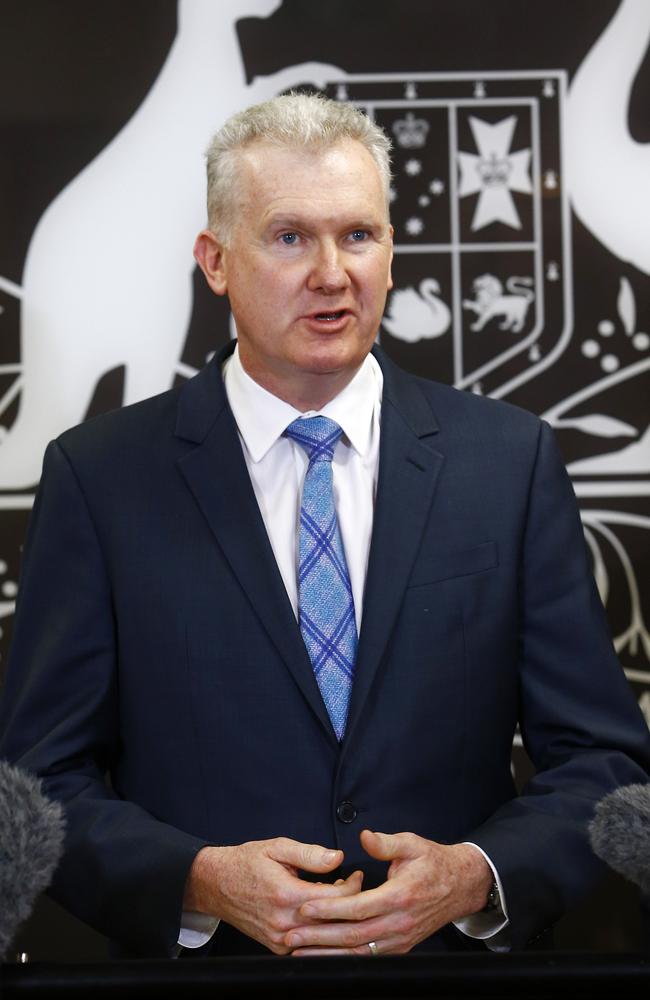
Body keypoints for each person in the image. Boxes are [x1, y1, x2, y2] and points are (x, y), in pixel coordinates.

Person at [0, 93, 648, 960]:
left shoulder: (510, 465)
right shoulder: (102, 477)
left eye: (358, 235)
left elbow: (607, 765)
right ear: (216, 260)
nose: (332, 272)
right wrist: (195, 879)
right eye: (290, 237)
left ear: (389, 252)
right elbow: (35, 786)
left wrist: (478, 874)